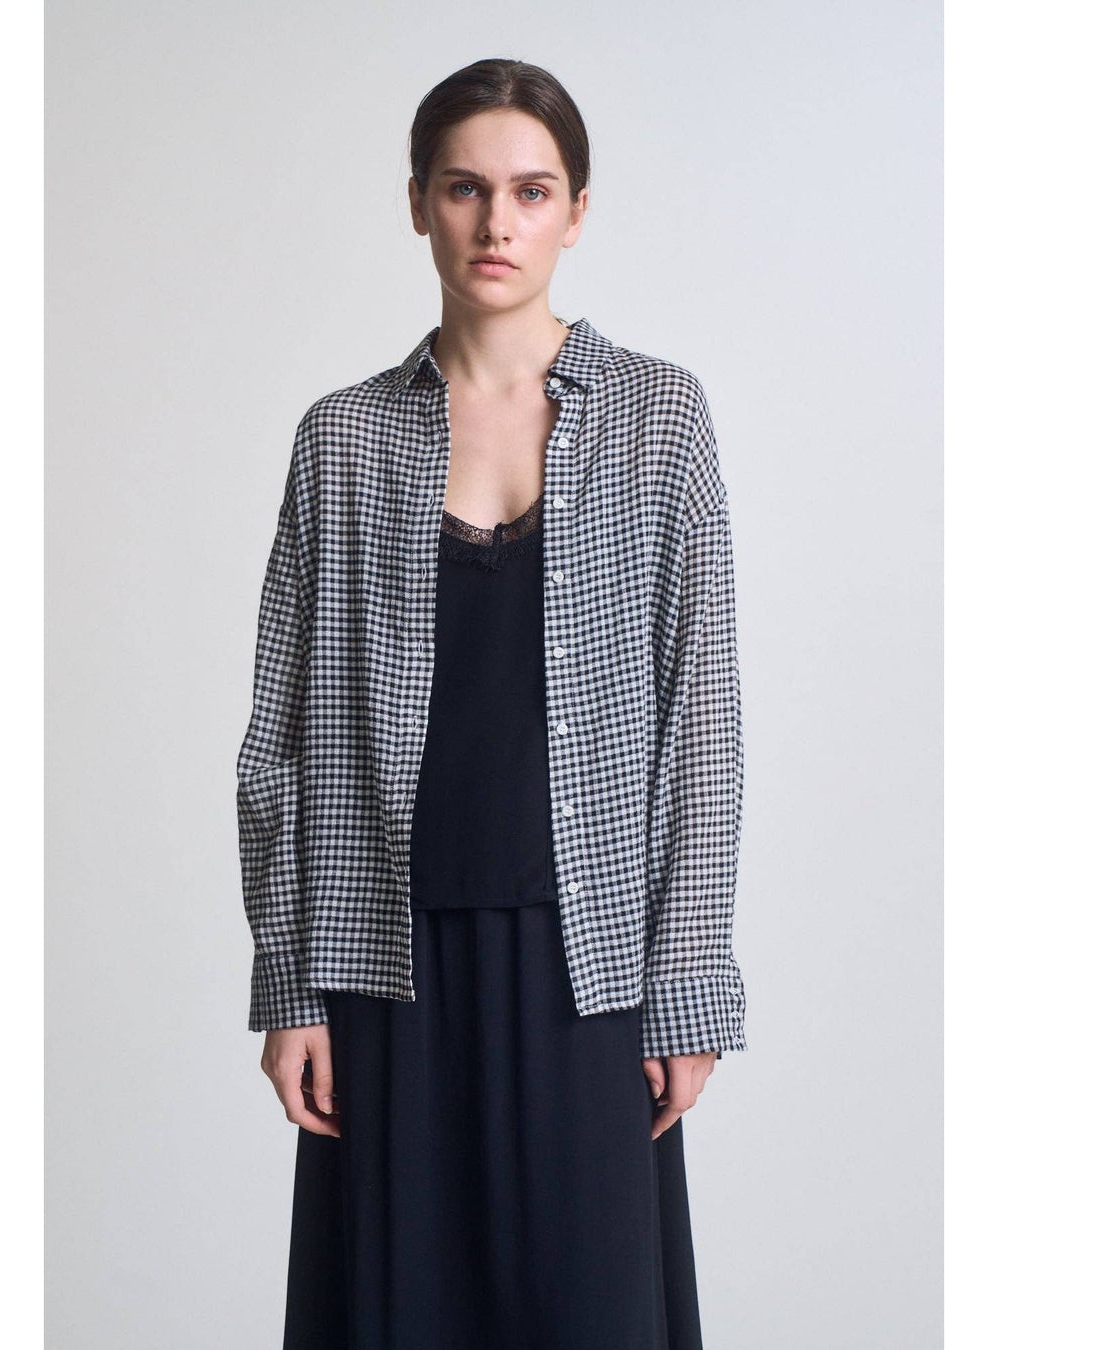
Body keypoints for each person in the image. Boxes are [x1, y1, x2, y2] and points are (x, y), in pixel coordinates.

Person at [236, 57, 747, 1349]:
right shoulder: (343, 438)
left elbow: (702, 726)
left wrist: (688, 987)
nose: (496, 223)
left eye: (531, 191)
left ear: (577, 211)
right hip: (380, 963)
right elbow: (277, 737)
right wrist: (291, 984)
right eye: (465, 189)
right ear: (418, 203)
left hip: (589, 967)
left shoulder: (661, 419)